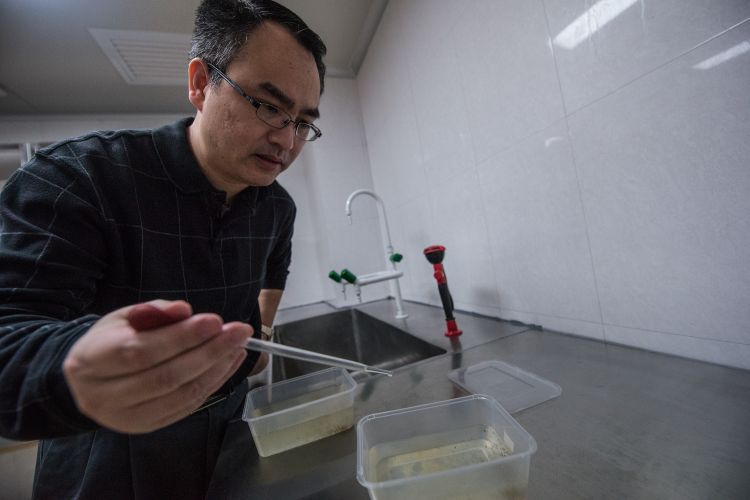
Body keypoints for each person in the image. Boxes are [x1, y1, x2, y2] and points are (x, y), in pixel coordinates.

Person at [0, 0, 326, 497]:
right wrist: (76, 367)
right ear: (200, 83)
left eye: (303, 121)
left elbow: (274, 268)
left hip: (229, 428)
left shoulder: (277, 208)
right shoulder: (79, 179)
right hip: (105, 443)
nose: (286, 140)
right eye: (268, 105)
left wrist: (259, 332)